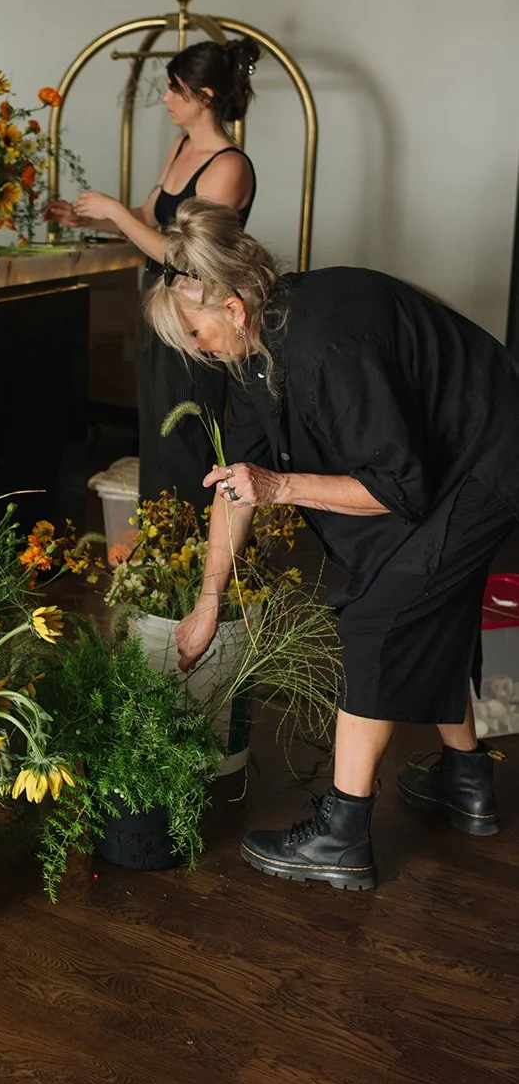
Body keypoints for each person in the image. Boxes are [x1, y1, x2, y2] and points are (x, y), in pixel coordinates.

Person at [145, 197, 519, 891]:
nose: (196, 350)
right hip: (448, 452)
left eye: (195, 332)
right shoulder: (257, 348)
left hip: (491, 454)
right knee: (418, 594)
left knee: (382, 611)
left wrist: (280, 486)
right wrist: (208, 599)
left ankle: (342, 835)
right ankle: (466, 783)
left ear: (229, 308)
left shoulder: (323, 341)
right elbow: (238, 485)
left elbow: (395, 489)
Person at [45, 37, 260, 513]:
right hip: (157, 302)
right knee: (156, 424)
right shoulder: (182, 145)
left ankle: (192, 548)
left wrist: (116, 212)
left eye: (174, 89)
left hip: (197, 314)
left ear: (204, 96)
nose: (164, 98)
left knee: (186, 429)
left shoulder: (229, 166)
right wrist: (87, 220)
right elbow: (149, 216)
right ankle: (161, 542)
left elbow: (186, 255)